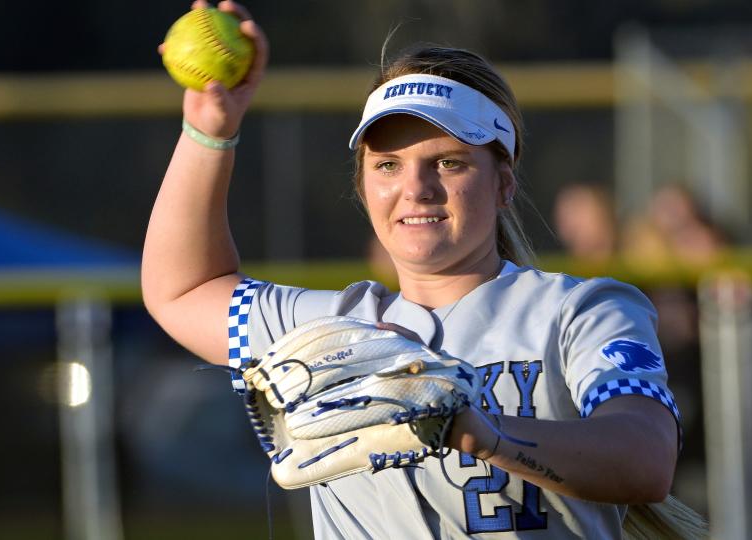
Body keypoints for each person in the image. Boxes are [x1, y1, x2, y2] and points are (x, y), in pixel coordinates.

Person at [143, 2, 682, 537]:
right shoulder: (329, 329)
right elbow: (181, 288)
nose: (416, 188)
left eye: (449, 162)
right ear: (362, 185)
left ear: (504, 182)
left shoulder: (577, 311)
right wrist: (208, 131)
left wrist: (481, 433)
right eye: (388, 165)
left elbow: (645, 456)